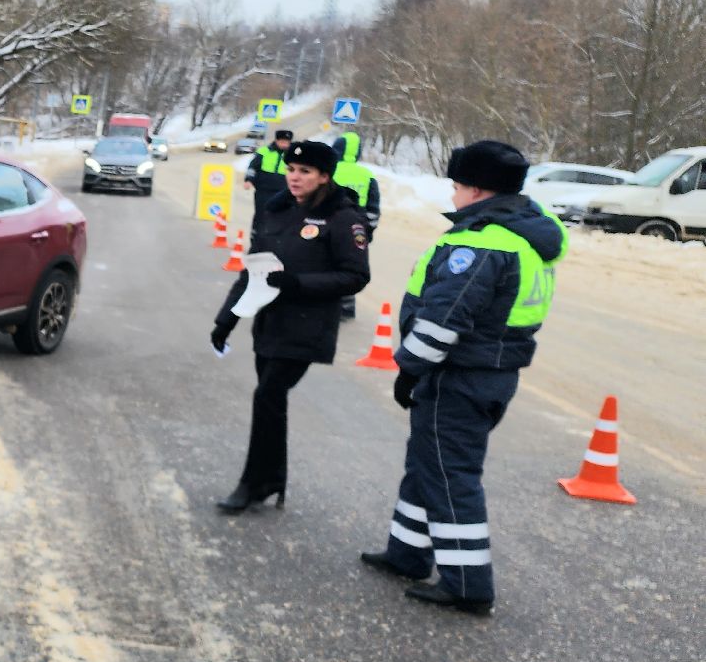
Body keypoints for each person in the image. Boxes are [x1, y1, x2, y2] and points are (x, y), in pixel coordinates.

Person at [361, 141, 566, 615]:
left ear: (475, 188)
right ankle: (407, 554)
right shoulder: (525, 233)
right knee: (428, 463)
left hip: (458, 377)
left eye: (456, 185)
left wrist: (409, 368)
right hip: (489, 372)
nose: (452, 195)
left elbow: (443, 318)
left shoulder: (481, 243)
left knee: (450, 475)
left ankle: (468, 584)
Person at [211, 139, 371, 512]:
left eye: (305, 172)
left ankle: (252, 484)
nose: (295, 177)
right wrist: (226, 320)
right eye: (291, 170)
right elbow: (253, 270)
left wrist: (300, 284)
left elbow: (354, 276)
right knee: (271, 401)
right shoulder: (277, 209)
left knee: (267, 395)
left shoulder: (343, 217)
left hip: (307, 325)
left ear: (324, 176)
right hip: (269, 323)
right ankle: (272, 479)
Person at [330, 131, 382, 320]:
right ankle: (346, 308)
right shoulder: (367, 175)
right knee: (349, 269)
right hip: (356, 229)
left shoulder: (329, 170)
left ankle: (328, 305)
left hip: (330, 227)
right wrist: (367, 231)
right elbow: (373, 208)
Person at [243, 128, 293, 235]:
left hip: (282, 192)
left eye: (287, 142)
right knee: (261, 215)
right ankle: (256, 238)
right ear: (276, 140)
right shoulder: (264, 151)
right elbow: (252, 167)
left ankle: (274, 241)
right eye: (282, 141)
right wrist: (248, 180)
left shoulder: (292, 156)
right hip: (263, 191)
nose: (285, 144)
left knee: (280, 217)